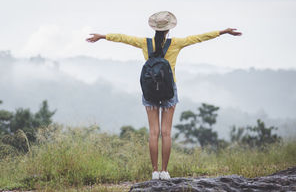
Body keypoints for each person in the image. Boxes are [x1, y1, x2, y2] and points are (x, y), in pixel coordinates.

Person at [86, 11, 242, 180]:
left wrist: (103, 36)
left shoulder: (144, 43)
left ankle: (154, 172)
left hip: (150, 91)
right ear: (168, 30)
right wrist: (223, 32)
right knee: (166, 133)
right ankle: (165, 172)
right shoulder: (176, 43)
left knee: (154, 133)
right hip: (169, 92)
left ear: (154, 28)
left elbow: (124, 38)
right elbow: (199, 38)